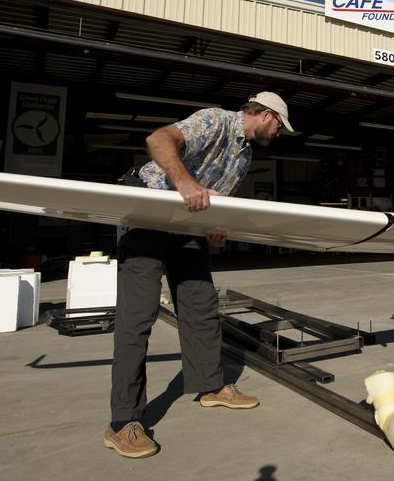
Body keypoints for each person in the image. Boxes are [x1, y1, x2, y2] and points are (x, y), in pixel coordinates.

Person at [105, 92, 292, 459]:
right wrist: (185, 184)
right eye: (279, 125)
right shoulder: (215, 120)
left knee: (202, 307)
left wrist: (215, 226)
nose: (280, 133)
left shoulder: (245, 156)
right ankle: (122, 422)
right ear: (266, 115)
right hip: (147, 209)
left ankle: (210, 387)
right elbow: (157, 140)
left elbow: (212, 201)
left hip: (186, 225)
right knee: (138, 316)